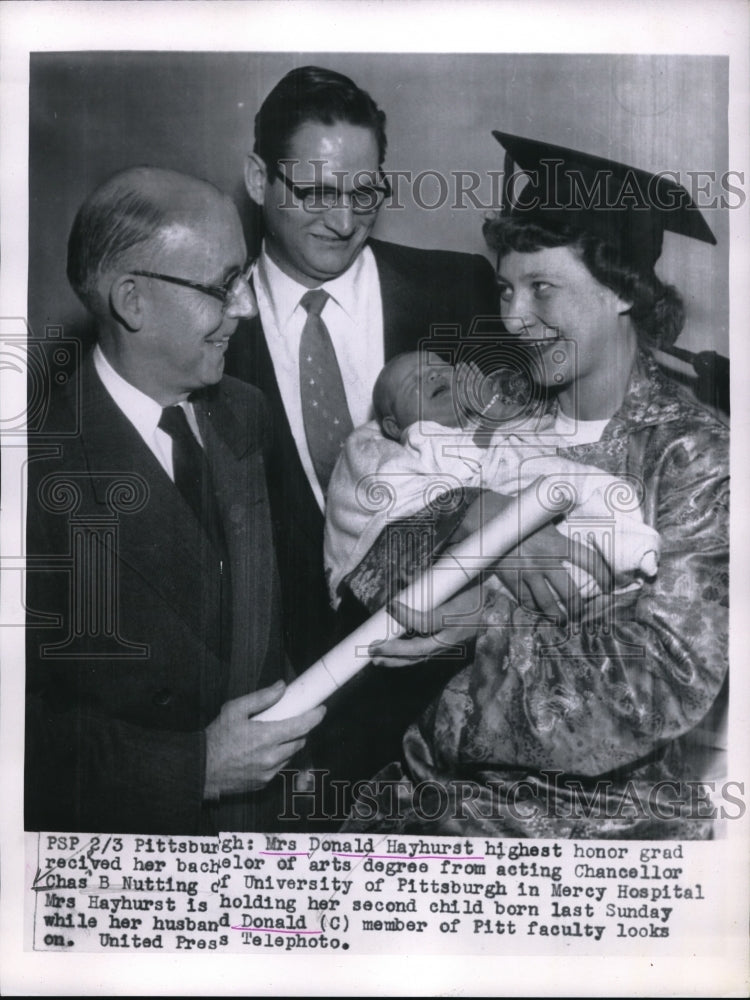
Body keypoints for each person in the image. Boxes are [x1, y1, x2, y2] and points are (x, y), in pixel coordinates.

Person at [342, 133, 729, 839]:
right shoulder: (485, 410)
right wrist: (473, 515)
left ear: (620, 292)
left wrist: (477, 633)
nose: (513, 317)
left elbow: (662, 683)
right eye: (505, 288)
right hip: (418, 806)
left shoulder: (692, 453)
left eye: (542, 288)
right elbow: (365, 581)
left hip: (591, 837)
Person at [25, 167, 325, 834]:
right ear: (133, 300)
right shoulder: (33, 475)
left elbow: (271, 620)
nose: (246, 308)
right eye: (223, 287)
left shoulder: (244, 414)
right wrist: (194, 768)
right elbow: (20, 740)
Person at [225, 66, 498, 795]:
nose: (342, 220)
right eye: (313, 191)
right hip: (283, 741)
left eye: (364, 192)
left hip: (454, 731)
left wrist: (489, 613)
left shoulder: (461, 291)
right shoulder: (207, 329)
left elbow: (538, 476)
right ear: (258, 179)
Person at [324, 350, 660, 612]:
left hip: (534, 497)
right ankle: (603, 572)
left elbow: (534, 437)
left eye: (439, 367)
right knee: (553, 544)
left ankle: (628, 541)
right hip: (504, 519)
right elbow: (460, 484)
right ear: (394, 427)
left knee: (594, 485)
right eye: (414, 384)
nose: (431, 376)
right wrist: (488, 424)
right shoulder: (422, 438)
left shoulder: (476, 418)